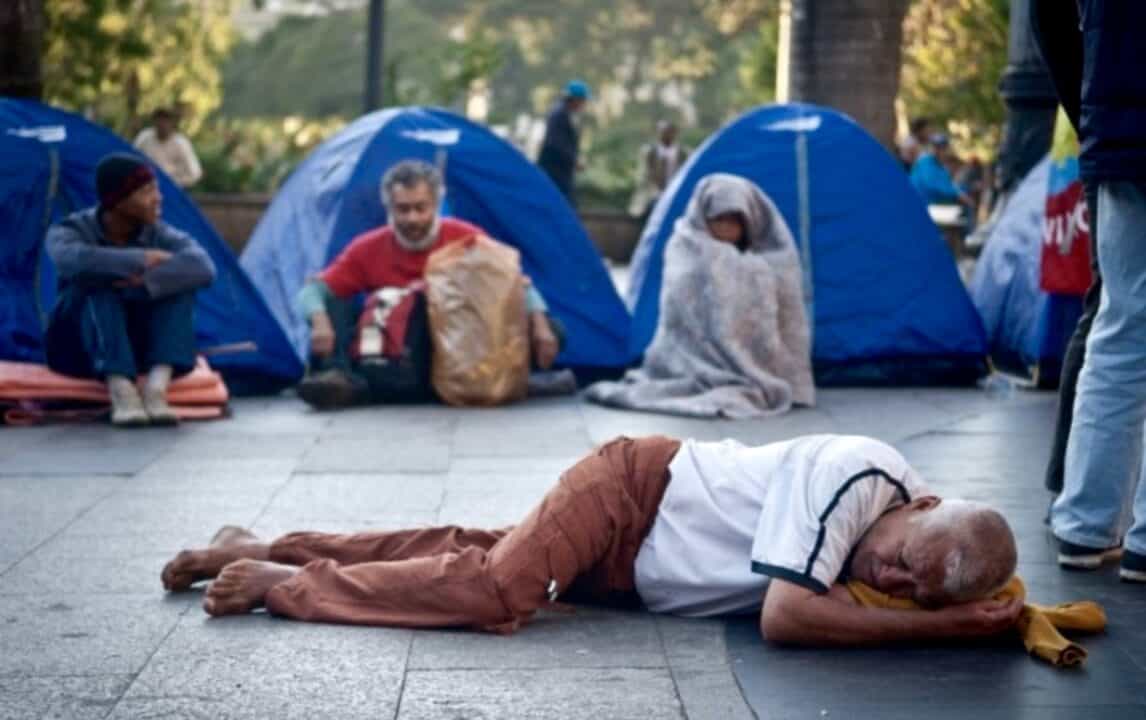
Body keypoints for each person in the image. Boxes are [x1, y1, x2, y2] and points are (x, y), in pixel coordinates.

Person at [160, 433, 1022, 645]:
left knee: (471, 547)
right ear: (921, 501)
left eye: (919, 593)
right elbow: (788, 618)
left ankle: (269, 539)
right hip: (629, 497)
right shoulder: (855, 476)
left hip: (635, 563)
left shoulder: (898, 534)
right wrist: (942, 627)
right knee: (498, 592)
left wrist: (953, 603)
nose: (891, 580)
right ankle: (282, 581)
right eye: (904, 563)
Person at [295, 160, 564, 409]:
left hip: (458, 350)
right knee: (331, 303)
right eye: (402, 209)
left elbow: (517, 283)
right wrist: (320, 322)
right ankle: (340, 378)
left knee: (551, 328)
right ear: (389, 209)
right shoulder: (368, 247)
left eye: (420, 208)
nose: (412, 219)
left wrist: (539, 325)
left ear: (436, 204)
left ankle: (516, 379)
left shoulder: (466, 238)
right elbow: (312, 291)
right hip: (398, 355)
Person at [1045, 1, 1146, 583]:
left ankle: (1083, 526)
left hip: (1116, 132)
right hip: (1111, 128)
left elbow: (1048, 20)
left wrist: (1093, 113)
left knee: (1121, 325)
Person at [586, 174, 814, 418]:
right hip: (691, 357)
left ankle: (756, 372)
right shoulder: (686, 246)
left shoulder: (772, 258)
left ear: (750, 223)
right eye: (719, 219)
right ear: (704, 216)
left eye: (734, 221)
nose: (726, 227)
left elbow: (785, 303)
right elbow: (682, 302)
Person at [43, 153, 216, 427]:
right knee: (96, 283)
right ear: (117, 200)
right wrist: (141, 259)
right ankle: (121, 390)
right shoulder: (72, 229)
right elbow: (69, 259)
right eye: (147, 191)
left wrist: (146, 283)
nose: (158, 198)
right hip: (78, 349)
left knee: (178, 287)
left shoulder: (159, 232)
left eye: (156, 189)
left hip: (136, 350)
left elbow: (203, 267)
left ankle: (157, 388)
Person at [1030, 0, 1101, 502]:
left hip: (1103, 142)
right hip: (1109, 144)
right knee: (1112, 317)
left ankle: (1075, 492)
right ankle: (1077, 490)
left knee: (1108, 315)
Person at [537, 80, 590, 202]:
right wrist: (574, 160)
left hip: (562, 170)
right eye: (583, 100)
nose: (584, 103)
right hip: (554, 170)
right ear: (575, 99)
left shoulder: (567, 114)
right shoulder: (559, 115)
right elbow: (556, 143)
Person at [628, 120, 690, 221]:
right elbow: (643, 176)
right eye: (662, 131)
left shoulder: (683, 153)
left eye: (669, 132)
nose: (666, 135)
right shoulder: (649, 152)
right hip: (653, 193)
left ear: (675, 133)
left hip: (675, 191)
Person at [133, 108, 203, 188]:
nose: (162, 124)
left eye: (166, 120)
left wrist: (174, 183)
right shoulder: (144, 137)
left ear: (172, 123)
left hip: (171, 187)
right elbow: (133, 158)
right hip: (145, 184)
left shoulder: (181, 143)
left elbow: (195, 173)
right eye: (159, 119)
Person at [910, 134, 974, 208]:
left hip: (935, 206)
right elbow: (932, 184)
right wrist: (958, 194)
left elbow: (949, 185)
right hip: (923, 206)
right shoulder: (925, 162)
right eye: (936, 147)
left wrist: (965, 190)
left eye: (942, 147)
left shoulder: (940, 166)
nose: (939, 150)